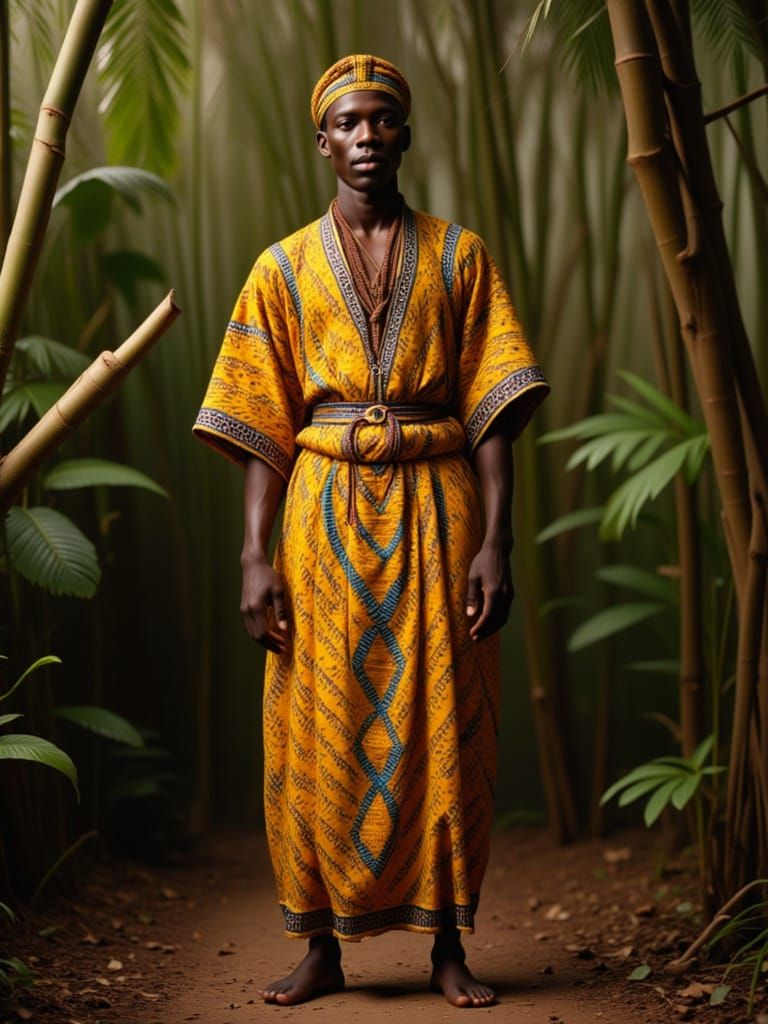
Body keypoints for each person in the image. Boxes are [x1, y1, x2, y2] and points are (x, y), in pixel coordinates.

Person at [194, 54, 549, 1009]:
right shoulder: (280, 267)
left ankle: (447, 946)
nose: (364, 137)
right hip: (320, 516)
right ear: (323, 141)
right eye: (347, 124)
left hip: (439, 512)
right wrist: (253, 557)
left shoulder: (462, 256)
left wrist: (498, 542)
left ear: (403, 134)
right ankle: (318, 944)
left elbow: (494, 412)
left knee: (446, 722)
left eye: (381, 121)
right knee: (316, 724)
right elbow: (263, 427)